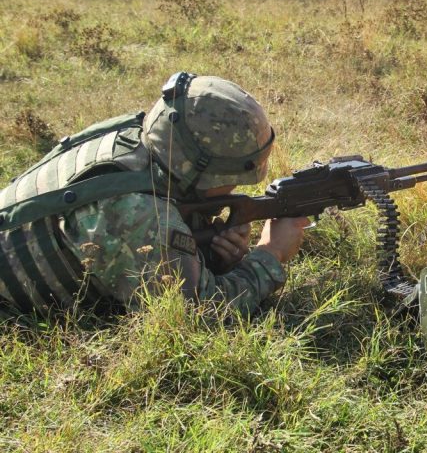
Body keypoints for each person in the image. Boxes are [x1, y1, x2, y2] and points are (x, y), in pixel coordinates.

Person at [0, 72, 309, 315]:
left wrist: (208, 253)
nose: (234, 188)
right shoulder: (139, 214)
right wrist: (271, 253)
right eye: (230, 179)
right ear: (197, 170)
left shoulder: (138, 140)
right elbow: (198, 316)